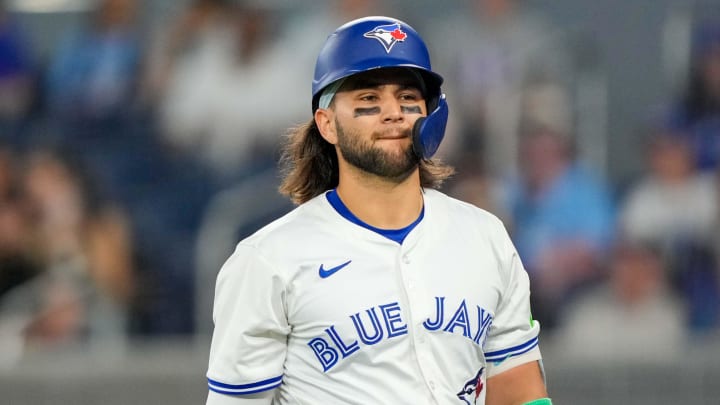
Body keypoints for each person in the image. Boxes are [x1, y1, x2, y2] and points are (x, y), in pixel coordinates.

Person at [205, 16, 551, 405]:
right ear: (327, 124)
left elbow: (518, 390)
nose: (393, 113)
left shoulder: (485, 236)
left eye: (408, 99)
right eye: (369, 100)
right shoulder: (268, 260)